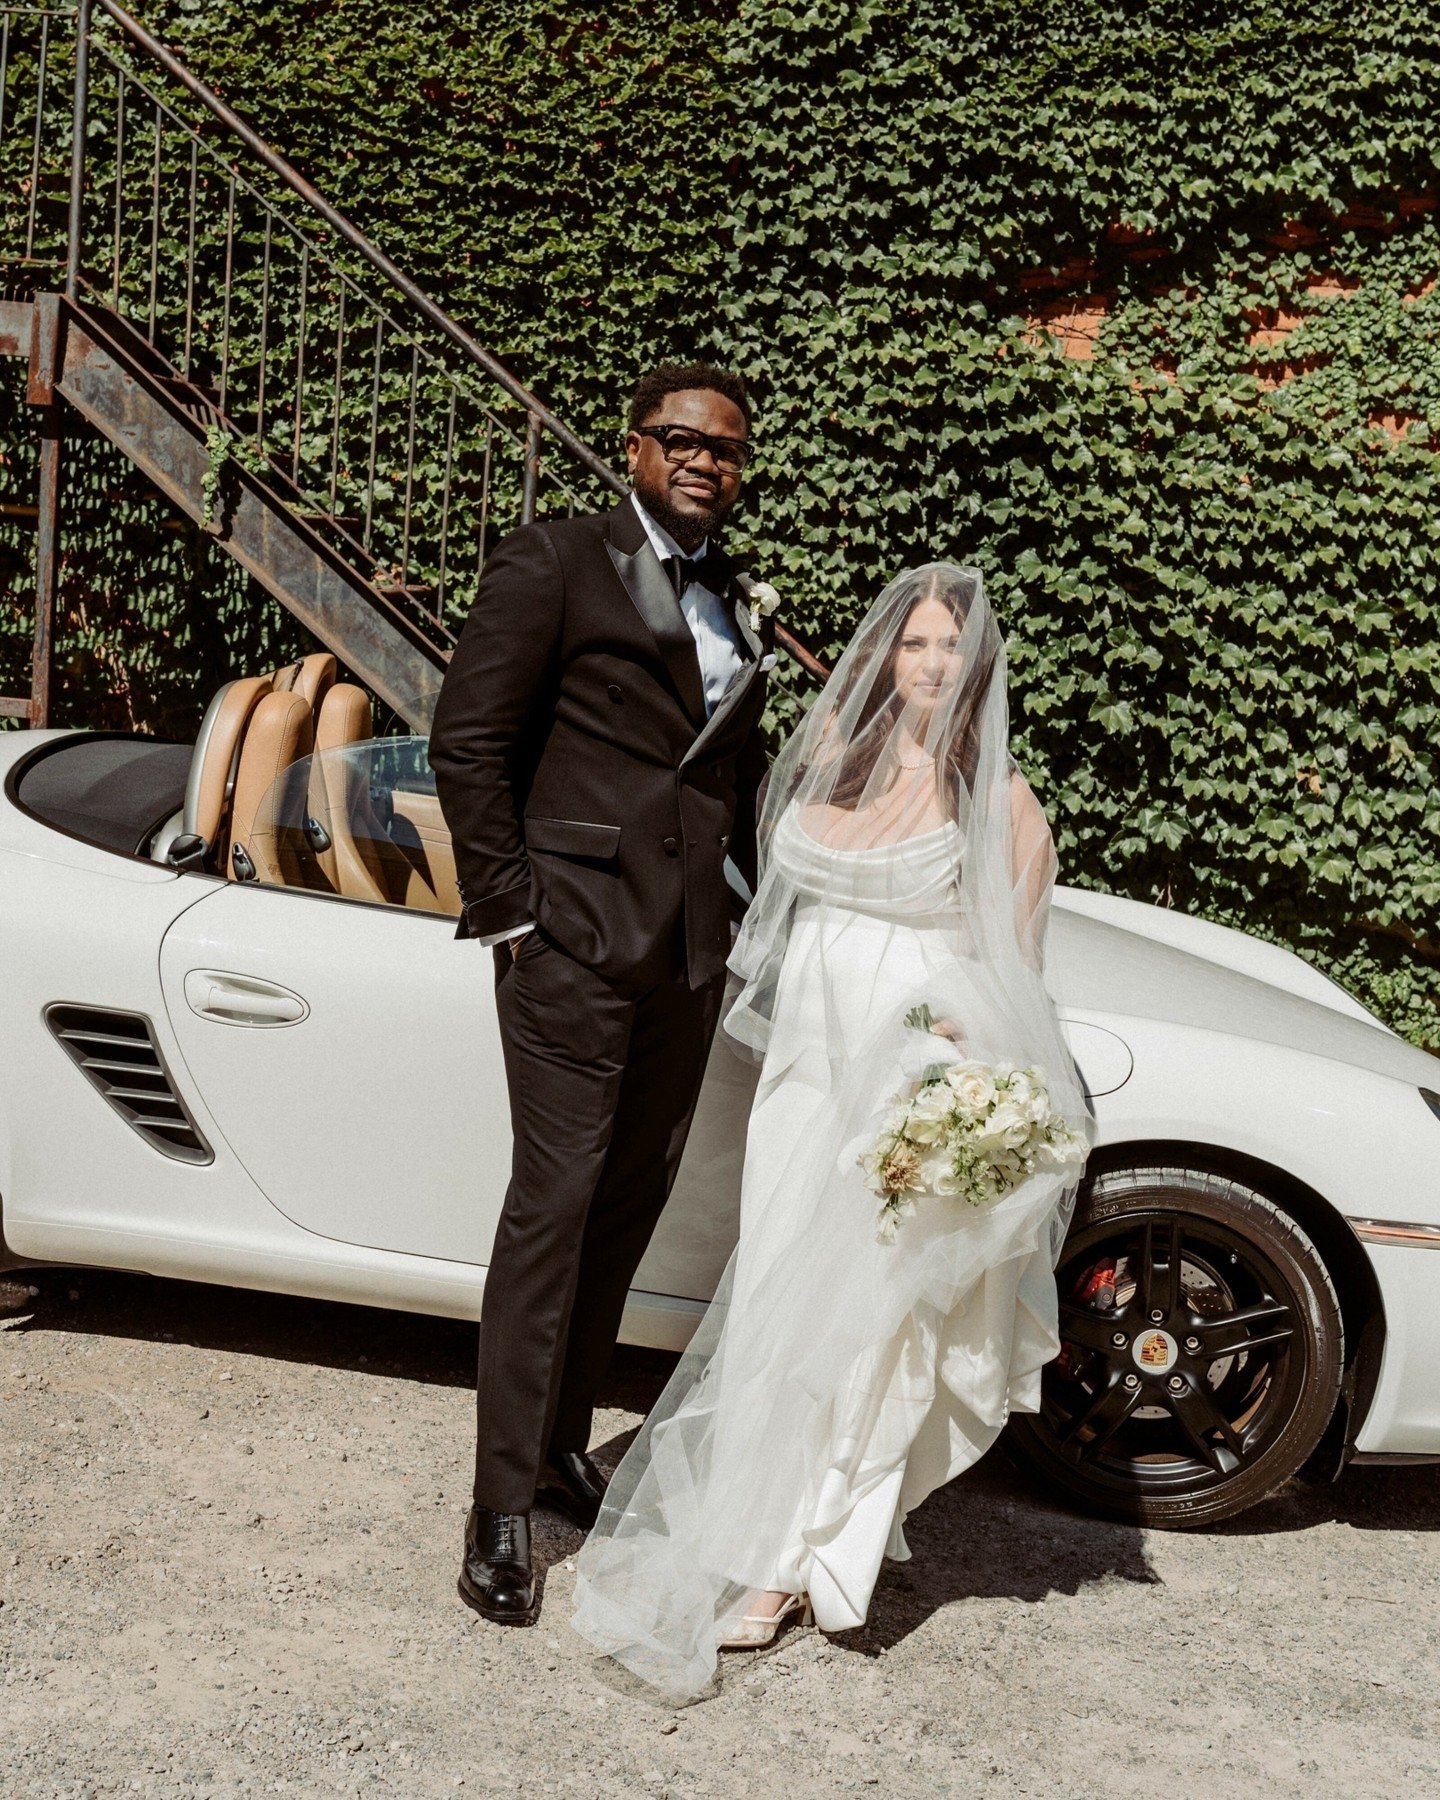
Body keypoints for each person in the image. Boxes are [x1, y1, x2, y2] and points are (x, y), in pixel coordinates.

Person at [570, 563, 1096, 1699]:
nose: (931, 664)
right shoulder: (824, 764)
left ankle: (790, 1557)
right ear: (883, 656)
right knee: (771, 1294)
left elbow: (1015, 975)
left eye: (951, 645)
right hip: (804, 1072)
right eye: (914, 643)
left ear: (979, 663)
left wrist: (959, 1094)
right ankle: (751, 1523)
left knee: (854, 1320)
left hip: (900, 1072)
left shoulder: (999, 804)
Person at [429, 361, 774, 1626]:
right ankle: (502, 1503)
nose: (704, 461)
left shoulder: (733, 591)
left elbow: (724, 772)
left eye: (726, 448)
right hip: (568, 945)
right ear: (634, 448)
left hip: (686, 954)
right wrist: (515, 912)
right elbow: (468, 739)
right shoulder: (553, 562)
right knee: (553, 1212)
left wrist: (744, 908)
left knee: (626, 1210)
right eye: (681, 439)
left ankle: (568, 1443)